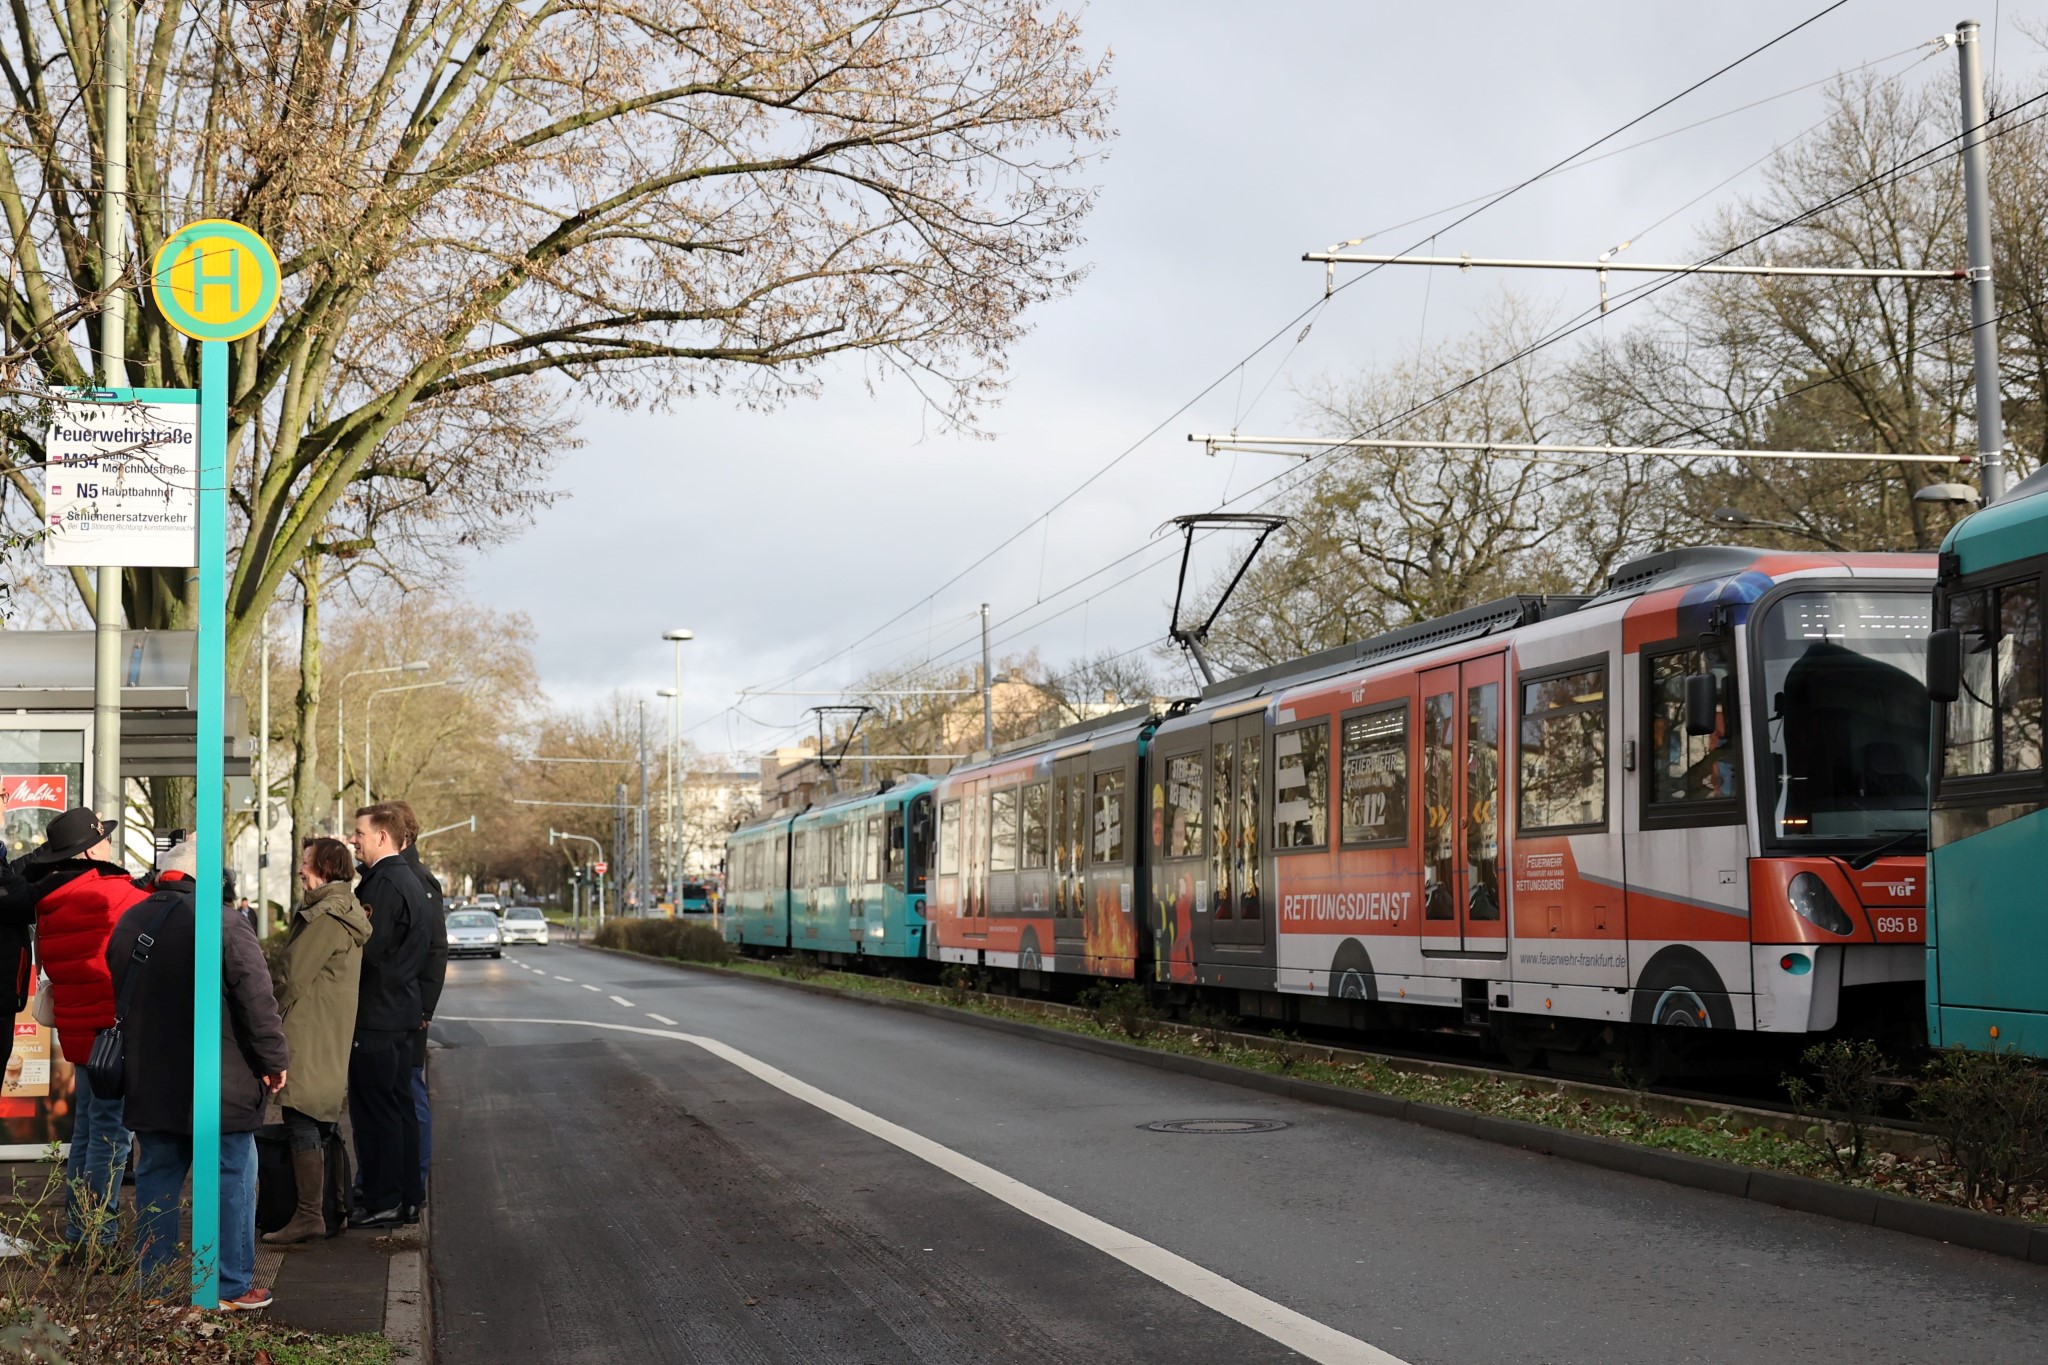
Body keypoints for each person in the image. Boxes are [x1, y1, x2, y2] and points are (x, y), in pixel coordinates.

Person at [109, 836, 288, 1311]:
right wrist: (274, 1061)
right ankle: (230, 1284)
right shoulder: (224, 922)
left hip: (151, 1078)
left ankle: (154, 1287)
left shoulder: (130, 921)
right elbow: (256, 1000)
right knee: (232, 1177)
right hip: (221, 1079)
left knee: (157, 1179)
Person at [22, 808, 148, 1256]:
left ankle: (80, 1233)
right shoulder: (112, 893)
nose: (110, 846)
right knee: (111, 1137)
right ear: (92, 850)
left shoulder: (51, 898)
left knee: (87, 1132)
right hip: (113, 1032)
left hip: (78, 1033)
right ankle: (99, 1238)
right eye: (105, 839)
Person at [262, 837, 370, 1246]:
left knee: (302, 1117)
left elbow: (291, 975)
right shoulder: (343, 909)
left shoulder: (325, 915)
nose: (300, 869)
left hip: (308, 1030)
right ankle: (331, 1210)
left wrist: (264, 1017)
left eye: (305, 863)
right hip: (327, 1029)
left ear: (324, 867)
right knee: (320, 1120)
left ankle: (310, 1215)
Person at [346, 804, 430, 1228]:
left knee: (375, 1113)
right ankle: (408, 1197)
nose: (353, 840)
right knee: (399, 1108)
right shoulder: (409, 879)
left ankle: (384, 1199)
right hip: (399, 1010)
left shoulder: (382, 884)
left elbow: (366, 951)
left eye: (359, 833)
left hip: (376, 1014)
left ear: (382, 836)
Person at [381, 801, 446, 1215]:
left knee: (409, 1090)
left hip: (407, 1008)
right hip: (399, 1006)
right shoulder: (396, 876)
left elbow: (435, 948)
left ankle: (414, 1179)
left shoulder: (415, 879)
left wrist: (424, 1008)